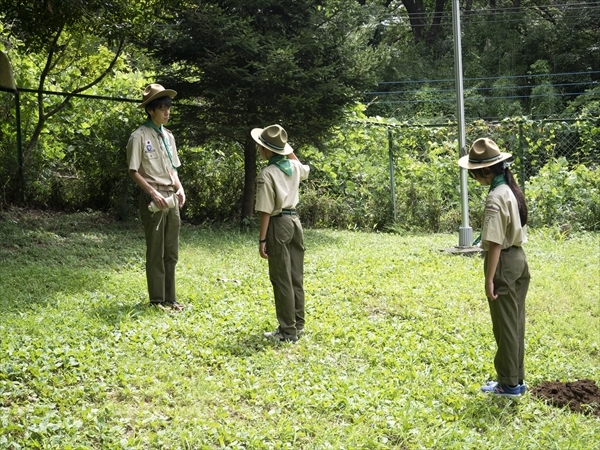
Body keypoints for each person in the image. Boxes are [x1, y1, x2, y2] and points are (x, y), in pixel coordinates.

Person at [459, 138, 531, 398]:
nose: (474, 176)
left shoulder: (495, 196)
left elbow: (495, 242)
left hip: (504, 263)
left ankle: (509, 385)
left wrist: (489, 278)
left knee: (505, 325)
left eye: (474, 172)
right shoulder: (510, 189)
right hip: (519, 260)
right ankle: (516, 379)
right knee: (515, 322)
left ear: (485, 170)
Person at [126, 84, 186, 311]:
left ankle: (171, 298)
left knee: (171, 249)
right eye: (162, 108)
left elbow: (173, 168)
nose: (167, 112)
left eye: (168, 108)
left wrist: (180, 188)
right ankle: (157, 300)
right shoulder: (139, 136)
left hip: (171, 196)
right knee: (155, 249)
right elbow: (134, 171)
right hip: (154, 198)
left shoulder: (168, 136)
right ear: (151, 110)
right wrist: (153, 193)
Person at [252, 124, 310, 343]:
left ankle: (287, 331)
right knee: (296, 276)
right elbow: (301, 165)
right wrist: (286, 148)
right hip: (295, 222)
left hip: (278, 224)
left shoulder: (267, 173)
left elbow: (266, 210)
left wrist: (262, 239)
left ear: (268, 151)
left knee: (281, 277)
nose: (259, 148)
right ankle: (298, 324)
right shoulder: (294, 168)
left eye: (262, 146)